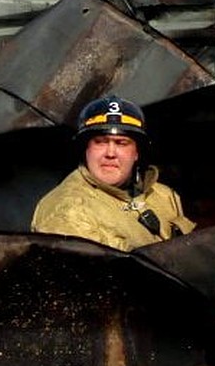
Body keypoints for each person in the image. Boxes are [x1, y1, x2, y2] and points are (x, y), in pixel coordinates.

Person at [32, 95, 194, 251]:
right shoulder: (67, 211)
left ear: (136, 152)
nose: (110, 153)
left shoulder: (164, 195)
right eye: (100, 142)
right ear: (86, 150)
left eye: (121, 143)